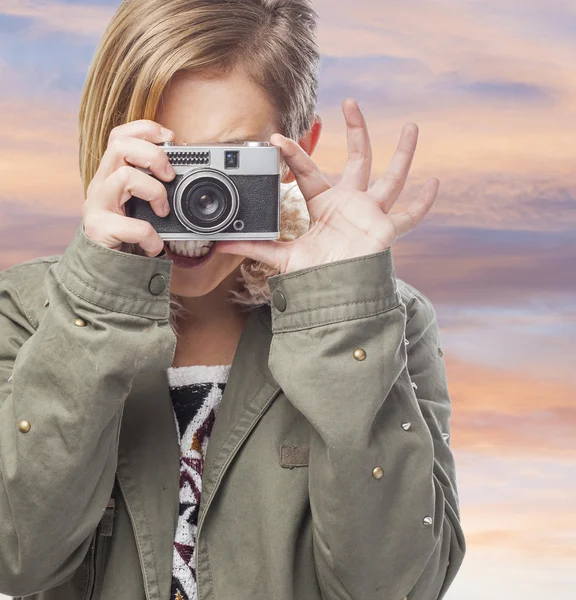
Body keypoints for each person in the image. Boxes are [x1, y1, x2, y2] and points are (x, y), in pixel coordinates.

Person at [0, 0, 466, 599]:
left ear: (295, 155)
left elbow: (398, 587)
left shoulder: (387, 320)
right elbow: (17, 557)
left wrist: (343, 315)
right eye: (167, 163)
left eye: (230, 161)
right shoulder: (31, 309)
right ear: (107, 149)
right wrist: (101, 298)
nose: (194, 203)